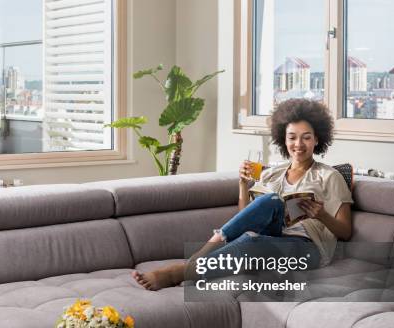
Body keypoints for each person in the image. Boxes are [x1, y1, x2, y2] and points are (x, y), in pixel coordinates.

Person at [132, 98, 354, 290]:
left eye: (306, 137)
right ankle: (196, 260)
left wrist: (321, 215)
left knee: (250, 242)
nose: (298, 144)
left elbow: (345, 231)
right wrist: (243, 184)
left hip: (306, 248)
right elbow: (246, 217)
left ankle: (179, 271)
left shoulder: (329, 176)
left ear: (317, 139)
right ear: (283, 139)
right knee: (272, 202)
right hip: (276, 233)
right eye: (292, 137)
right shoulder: (272, 173)